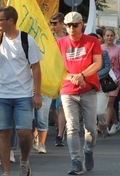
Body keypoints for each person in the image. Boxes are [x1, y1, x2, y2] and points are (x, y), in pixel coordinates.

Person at [0, 6, 42, 176]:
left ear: (10, 21)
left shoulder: (27, 40)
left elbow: (36, 69)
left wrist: (37, 94)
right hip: (0, 94)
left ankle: (24, 160)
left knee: (24, 133)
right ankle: (6, 172)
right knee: (3, 132)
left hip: (23, 94)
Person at [56, 12, 102, 175]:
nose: (71, 28)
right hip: (68, 90)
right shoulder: (60, 43)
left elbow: (97, 63)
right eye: (68, 25)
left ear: (81, 24)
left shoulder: (92, 41)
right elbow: (57, 68)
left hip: (88, 90)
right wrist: (73, 78)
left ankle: (88, 150)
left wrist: (82, 76)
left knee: (91, 128)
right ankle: (76, 161)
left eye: (75, 25)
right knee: (72, 127)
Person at [49, 12, 67, 147]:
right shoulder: (48, 38)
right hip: (50, 75)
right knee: (50, 109)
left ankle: (60, 134)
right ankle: (60, 124)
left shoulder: (68, 39)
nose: (53, 26)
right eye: (51, 23)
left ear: (62, 24)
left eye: (55, 23)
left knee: (61, 106)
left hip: (64, 75)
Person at [101, 29, 120, 136]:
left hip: (115, 78)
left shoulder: (118, 49)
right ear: (104, 37)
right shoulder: (100, 48)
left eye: (111, 35)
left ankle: (106, 125)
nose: (109, 37)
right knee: (106, 103)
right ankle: (115, 123)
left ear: (114, 37)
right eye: (107, 35)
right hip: (102, 79)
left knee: (110, 102)